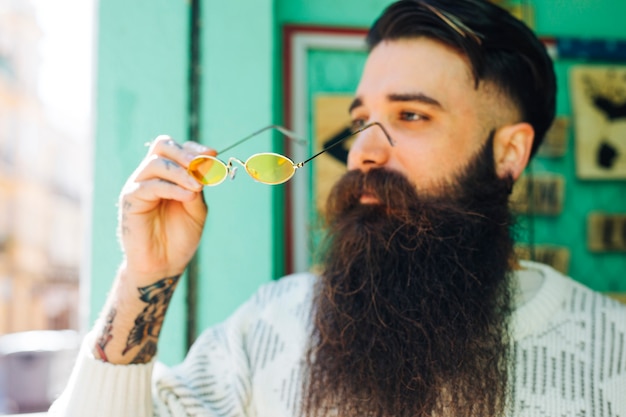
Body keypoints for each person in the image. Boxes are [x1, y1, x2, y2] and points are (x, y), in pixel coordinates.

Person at [50, 0, 626, 416]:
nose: (364, 151)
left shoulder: (613, 351)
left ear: (509, 152)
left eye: (411, 115)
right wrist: (144, 277)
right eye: (358, 122)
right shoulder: (267, 330)